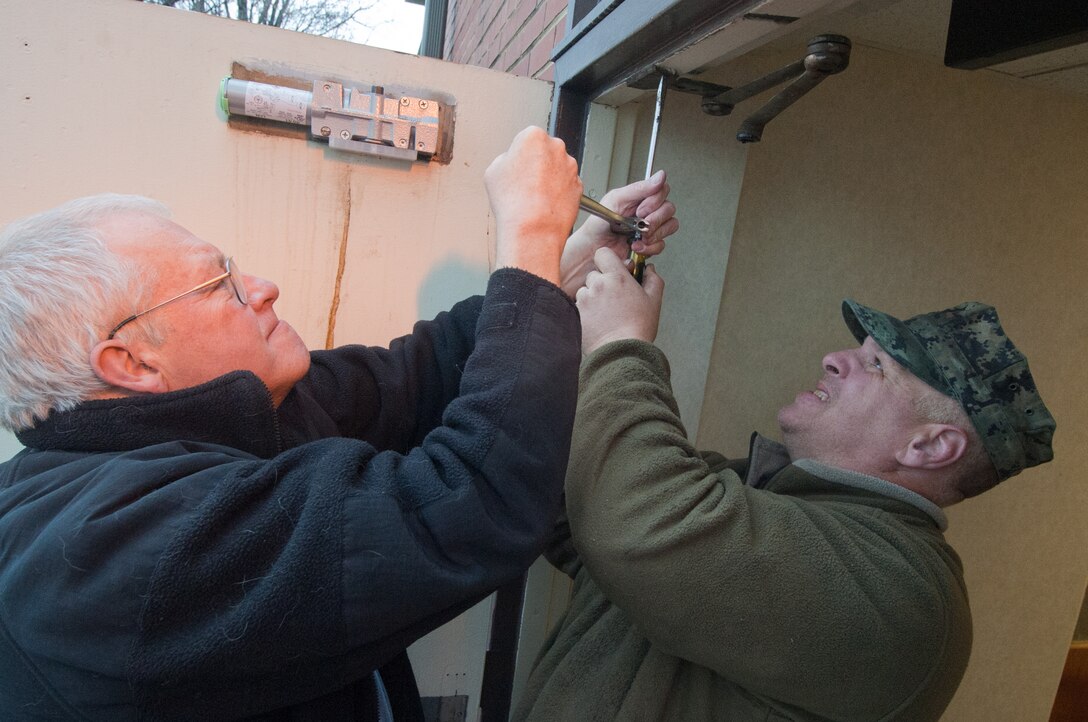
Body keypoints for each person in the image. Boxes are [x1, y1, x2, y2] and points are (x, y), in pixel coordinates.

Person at [0, 126, 677, 720]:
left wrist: (567, 257)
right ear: (131, 362)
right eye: (220, 285)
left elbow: (417, 376)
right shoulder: (115, 548)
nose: (261, 288)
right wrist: (525, 237)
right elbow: (470, 503)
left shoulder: (234, 415)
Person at [514, 249, 1056, 721]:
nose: (835, 359)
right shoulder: (761, 495)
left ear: (929, 447)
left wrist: (619, 342)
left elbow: (636, 525)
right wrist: (565, 307)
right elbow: (576, 496)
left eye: (876, 365)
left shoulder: (905, 598)